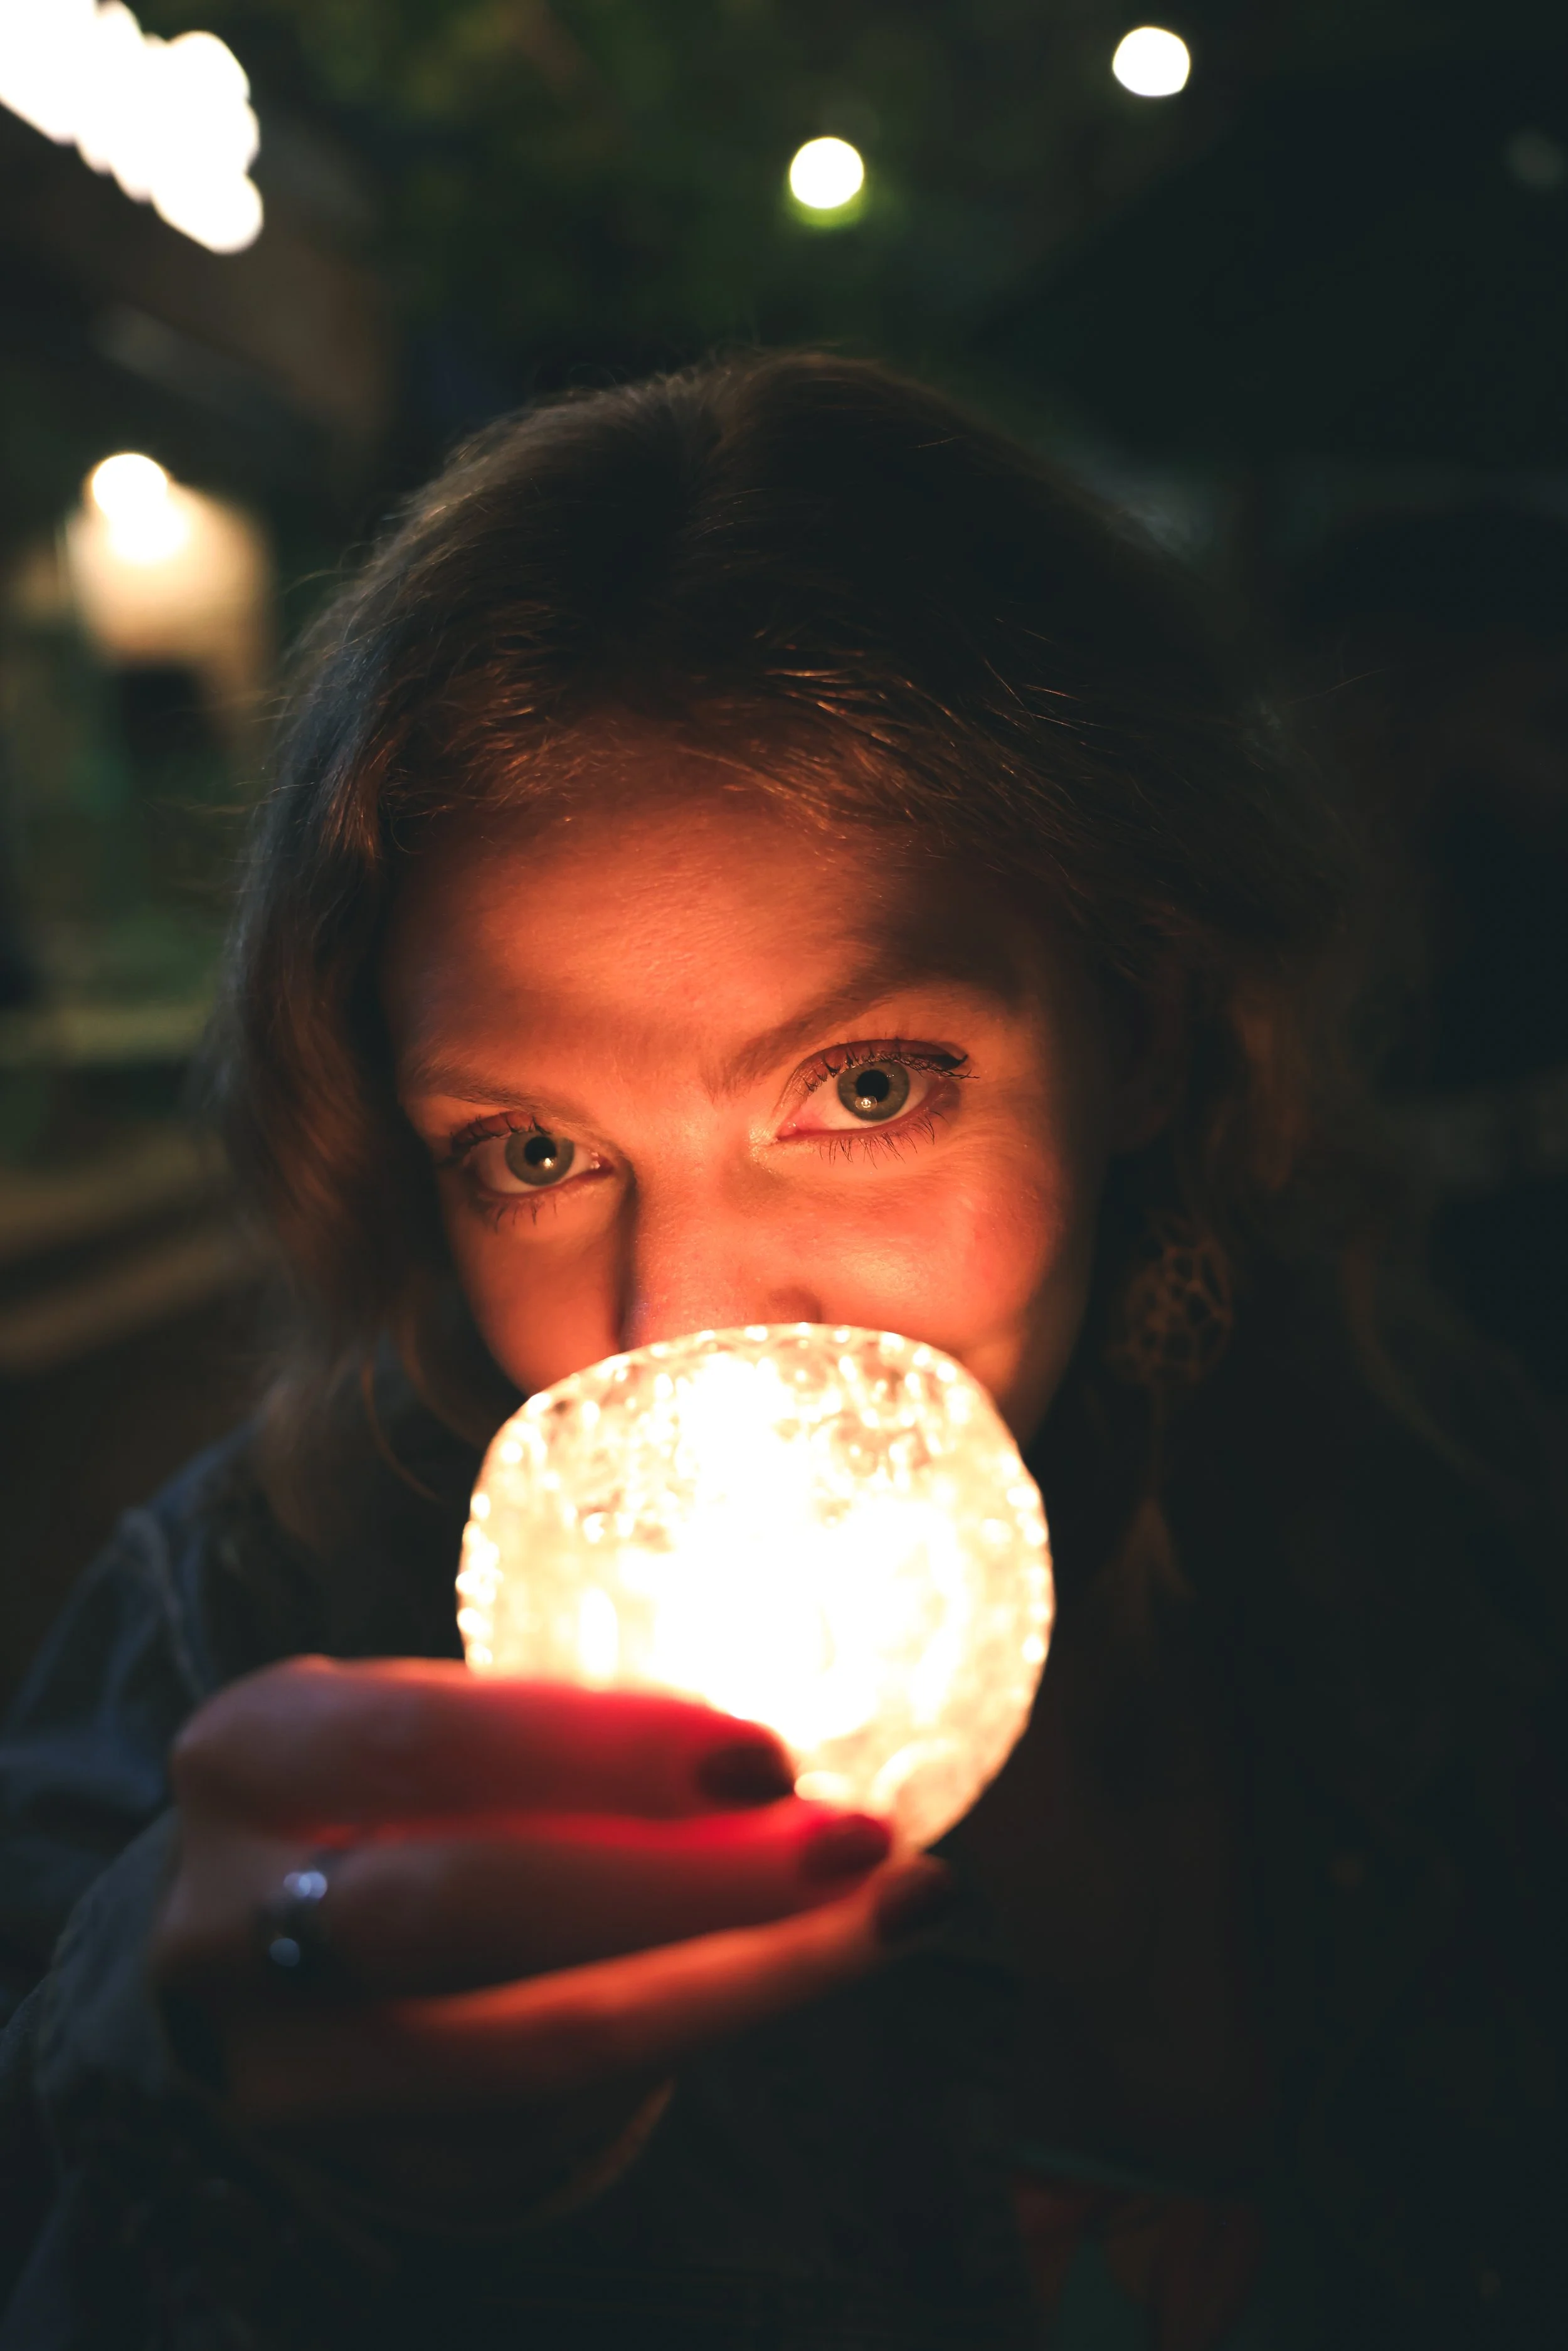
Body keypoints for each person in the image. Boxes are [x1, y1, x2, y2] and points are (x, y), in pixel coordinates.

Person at [1, 355, 1562, 2351]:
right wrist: (217, 2118)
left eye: (871, 1081)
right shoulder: (231, 1623)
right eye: (536, 1149)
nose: (680, 1324)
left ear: (1148, 1029)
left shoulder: (1438, 1514)